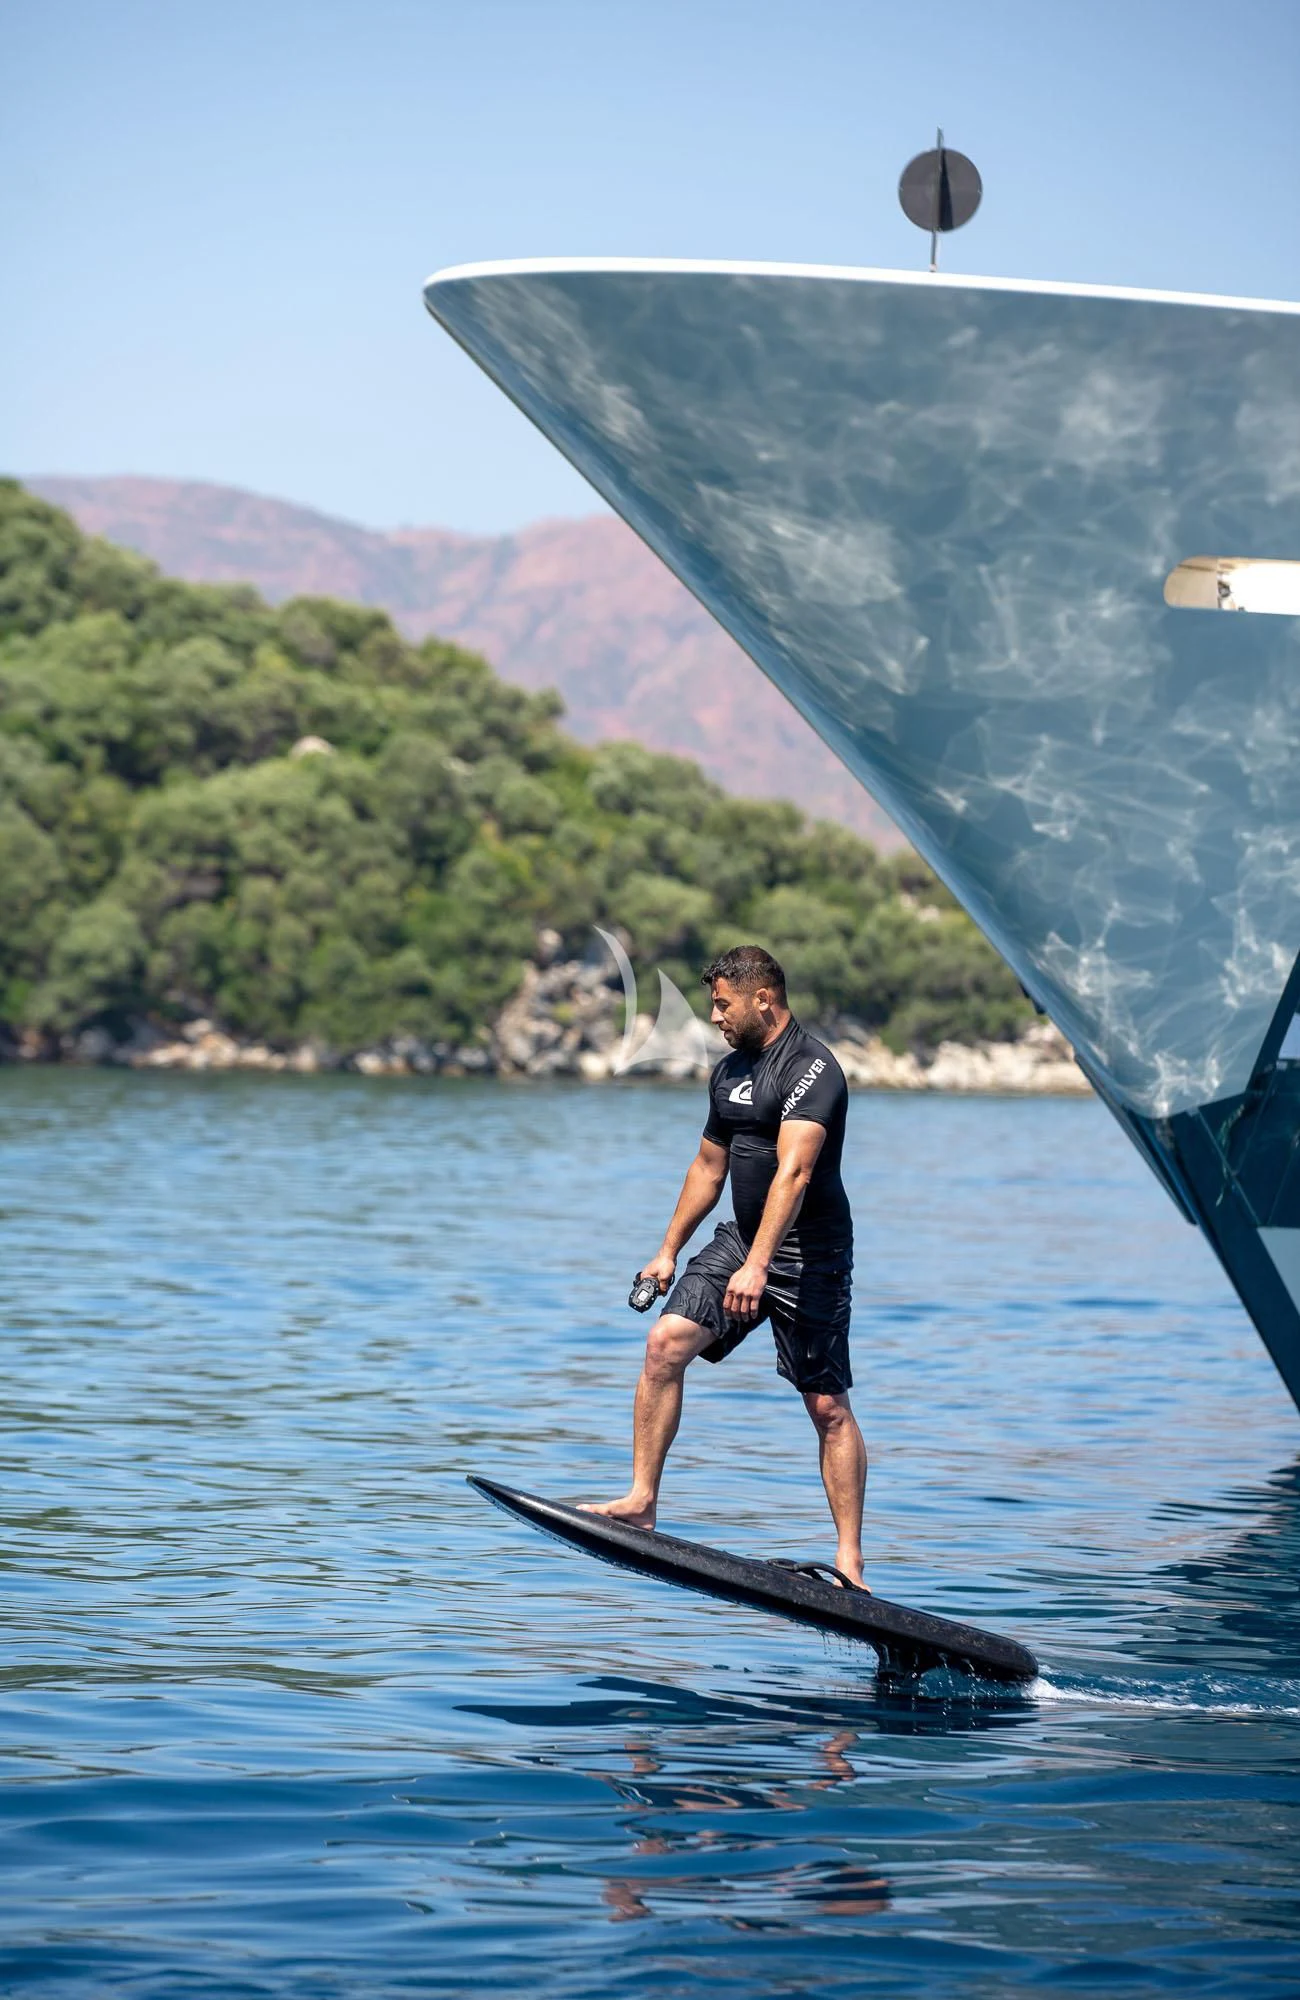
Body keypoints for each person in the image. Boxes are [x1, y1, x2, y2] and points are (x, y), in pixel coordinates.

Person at [583, 944, 868, 1588]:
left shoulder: (812, 1069)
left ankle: (849, 1560)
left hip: (809, 1255)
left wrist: (760, 1265)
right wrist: (667, 1251)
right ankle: (642, 1500)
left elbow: (794, 1173)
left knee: (826, 1406)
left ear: (761, 998)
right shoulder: (730, 1073)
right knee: (664, 1346)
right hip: (741, 1240)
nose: (713, 1016)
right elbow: (708, 1168)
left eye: (721, 1003)